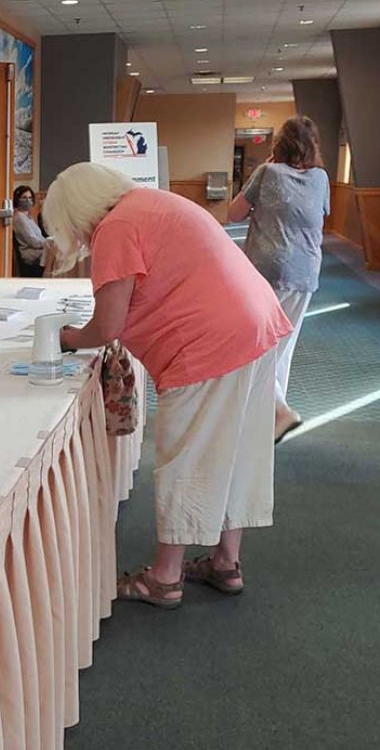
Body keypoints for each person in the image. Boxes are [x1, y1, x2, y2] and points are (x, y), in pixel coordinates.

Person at [45, 162, 292, 609]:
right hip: (255, 325)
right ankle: (225, 561)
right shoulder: (150, 202)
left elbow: (106, 326)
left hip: (209, 341)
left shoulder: (115, 228)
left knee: (188, 458)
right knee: (236, 450)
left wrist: (64, 338)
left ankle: (163, 578)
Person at [228, 116, 331, 441]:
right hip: (306, 271)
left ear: (279, 145)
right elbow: (320, 214)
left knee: (256, 343)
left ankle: (278, 411)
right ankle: (270, 418)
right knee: (283, 346)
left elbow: (233, 213)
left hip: (267, 269)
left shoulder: (267, 173)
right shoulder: (322, 178)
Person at [12, 185, 48, 278]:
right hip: (30, 253)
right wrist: (47, 244)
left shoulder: (28, 217)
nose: (28, 200)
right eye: (24, 198)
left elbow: (38, 237)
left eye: (29, 197)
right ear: (17, 199)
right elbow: (32, 241)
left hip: (37, 249)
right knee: (54, 257)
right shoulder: (19, 218)